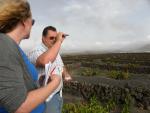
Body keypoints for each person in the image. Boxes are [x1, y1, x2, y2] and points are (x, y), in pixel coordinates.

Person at [0, 0, 63, 113]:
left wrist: (40, 81)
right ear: (24, 21)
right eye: (32, 22)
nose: (32, 26)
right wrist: (55, 83)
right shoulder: (4, 44)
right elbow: (19, 106)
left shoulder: (12, 47)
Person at [28, 26, 72, 113]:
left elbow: (61, 65)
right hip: (46, 97)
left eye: (56, 38)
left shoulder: (54, 51)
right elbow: (44, 61)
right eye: (51, 38)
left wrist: (66, 75)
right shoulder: (36, 51)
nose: (54, 40)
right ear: (43, 38)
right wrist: (59, 41)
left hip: (58, 93)